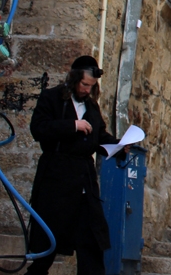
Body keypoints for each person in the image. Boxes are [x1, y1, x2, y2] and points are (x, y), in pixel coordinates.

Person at [26, 55, 122, 275]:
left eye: (91, 86)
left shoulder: (92, 106)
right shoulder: (51, 98)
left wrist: (119, 146)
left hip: (84, 181)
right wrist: (72, 125)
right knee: (47, 239)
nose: (87, 90)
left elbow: (99, 137)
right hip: (56, 176)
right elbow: (39, 129)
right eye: (84, 84)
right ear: (74, 78)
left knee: (92, 238)